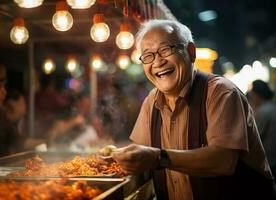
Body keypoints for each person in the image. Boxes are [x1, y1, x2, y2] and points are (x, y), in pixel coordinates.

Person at [108, 19, 275, 200]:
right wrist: (115, 159)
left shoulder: (220, 92)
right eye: (148, 55)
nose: (157, 62)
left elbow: (224, 161)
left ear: (191, 52)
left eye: (165, 50)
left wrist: (158, 157)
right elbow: (143, 159)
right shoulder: (151, 101)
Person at [248, 80, 276, 178]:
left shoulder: (264, 111)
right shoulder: (272, 106)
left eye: (252, 95)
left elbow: (254, 137)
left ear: (257, 95)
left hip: (269, 162)